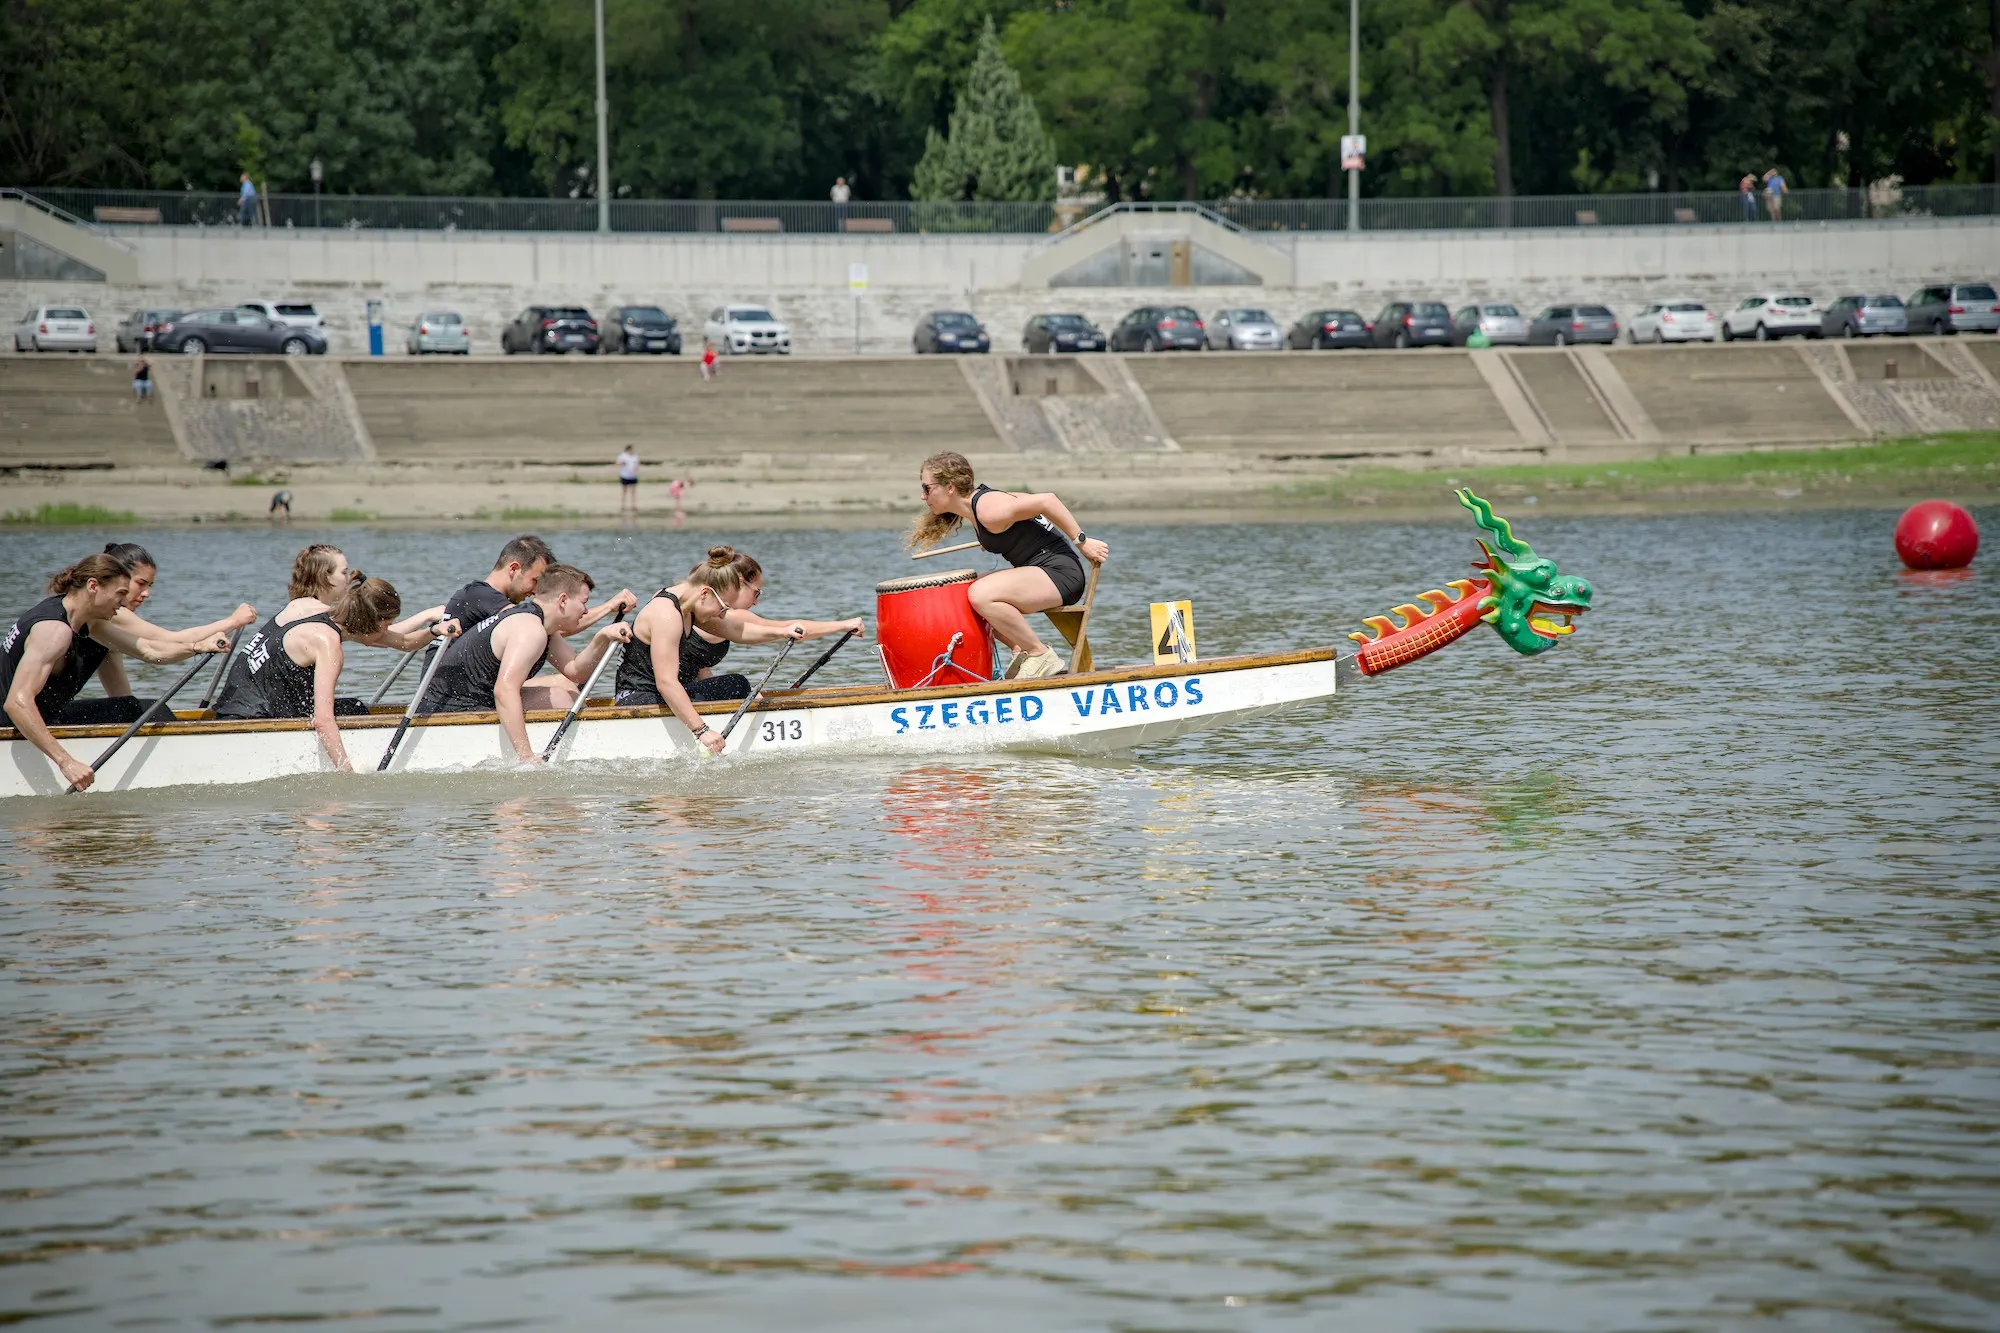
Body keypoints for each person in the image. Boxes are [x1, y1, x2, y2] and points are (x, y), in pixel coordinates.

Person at [2, 554, 230, 791]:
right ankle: (190, 774)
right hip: (12, 726)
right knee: (148, 711)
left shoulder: (88, 622)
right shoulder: (54, 631)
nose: (123, 603)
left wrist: (197, 646)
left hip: (47, 716)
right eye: (120, 593)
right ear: (93, 586)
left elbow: (151, 651)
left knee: (137, 708)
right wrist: (66, 762)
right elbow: (17, 703)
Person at [613, 547, 859, 755]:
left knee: (735, 684)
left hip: (653, 694)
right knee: (737, 685)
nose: (722, 615)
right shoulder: (667, 614)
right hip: (636, 699)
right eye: (723, 608)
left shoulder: (689, 605)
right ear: (706, 593)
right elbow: (666, 683)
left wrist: (782, 633)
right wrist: (702, 731)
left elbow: (736, 631)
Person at [908, 450, 1107, 680]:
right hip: (1043, 572)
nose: (923, 496)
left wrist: (1082, 541)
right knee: (964, 592)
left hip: (1060, 575)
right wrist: (998, 539)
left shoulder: (988, 509)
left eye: (927, 488)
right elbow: (1022, 511)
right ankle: (1020, 649)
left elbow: (1047, 500)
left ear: (950, 487)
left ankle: (1039, 653)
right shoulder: (981, 508)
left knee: (980, 594)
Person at [419, 563, 634, 765]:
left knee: (568, 689)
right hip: (447, 709)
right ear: (562, 600)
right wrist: (526, 757)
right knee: (561, 698)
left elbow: (576, 672)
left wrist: (602, 638)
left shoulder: (542, 625)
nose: (586, 611)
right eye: (584, 603)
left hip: (475, 697)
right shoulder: (529, 630)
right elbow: (504, 690)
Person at [95, 540, 258, 710]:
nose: (146, 594)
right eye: (140, 583)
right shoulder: (109, 613)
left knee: (133, 708)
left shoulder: (107, 634)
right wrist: (233, 621)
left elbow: (122, 700)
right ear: (119, 579)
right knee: (157, 710)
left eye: (149, 586)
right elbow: (171, 640)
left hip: (65, 712)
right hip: (63, 718)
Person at [441, 534, 634, 632]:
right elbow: (551, 627)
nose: (536, 591)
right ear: (514, 568)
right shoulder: (483, 596)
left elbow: (552, 631)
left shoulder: (480, 596)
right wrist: (608, 607)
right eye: (535, 581)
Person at [617, 445, 640, 515]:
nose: (631, 451)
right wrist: (622, 464)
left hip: (633, 476)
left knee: (633, 492)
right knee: (624, 491)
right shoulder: (622, 456)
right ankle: (622, 505)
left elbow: (637, 464)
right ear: (627, 450)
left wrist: (636, 469)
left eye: (631, 450)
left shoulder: (635, 456)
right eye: (629, 450)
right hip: (624, 475)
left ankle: (633, 505)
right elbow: (617, 464)